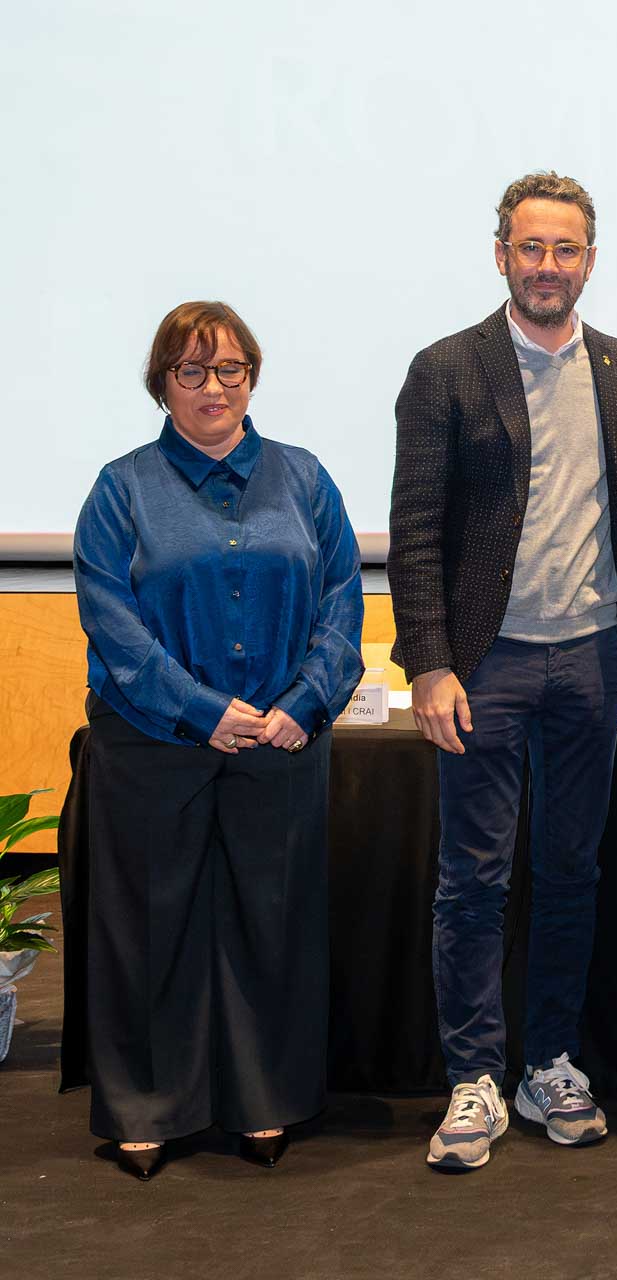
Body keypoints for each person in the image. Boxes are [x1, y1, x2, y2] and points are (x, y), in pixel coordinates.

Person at [389, 171, 617, 1172]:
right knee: (474, 879)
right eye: (531, 247)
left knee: (572, 872)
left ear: (590, 259)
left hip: (591, 656)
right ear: (501, 254)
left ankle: (549, 1063)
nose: (548, 265)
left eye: (566, 249)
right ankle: (473, 1076)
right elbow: (416, 530)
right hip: (485, 664)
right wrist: (431, 664)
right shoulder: (446, 368)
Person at [74, 301, 364, 1179]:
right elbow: (112, 624)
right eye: (191, 371)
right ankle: (146, 1106)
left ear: (252, 377)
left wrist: (306, 701)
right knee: (149, 926)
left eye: (230, 368)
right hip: (151, 742)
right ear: (162, 384)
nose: (213, 387)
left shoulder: (305, 478)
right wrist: (201, 709)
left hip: (281, 739)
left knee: (270, 924)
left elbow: (342, 603)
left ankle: (264, 1100)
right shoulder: (121, 488)